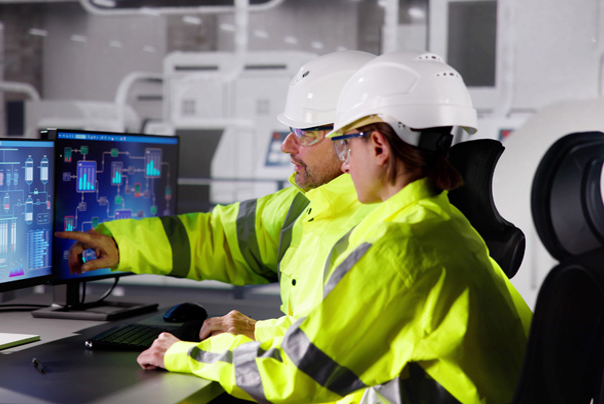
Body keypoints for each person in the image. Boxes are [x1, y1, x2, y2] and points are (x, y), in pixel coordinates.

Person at [136, 51, 533, 404]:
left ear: (378, 147)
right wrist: (260, 332)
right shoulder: (440, 225)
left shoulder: (396, 248)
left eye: (346, 145)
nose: (344, 164)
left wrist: (180, 353)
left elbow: (294, 378)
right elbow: (342, 333)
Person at [56, 50, 377, 342]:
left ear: (353, 137)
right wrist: (119, 245)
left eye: (305, 133)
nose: (286, 147)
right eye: (291, 130)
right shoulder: (304, 206)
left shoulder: (388, 230)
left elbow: (323, 354)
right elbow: (218, 237)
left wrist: (195, 352)